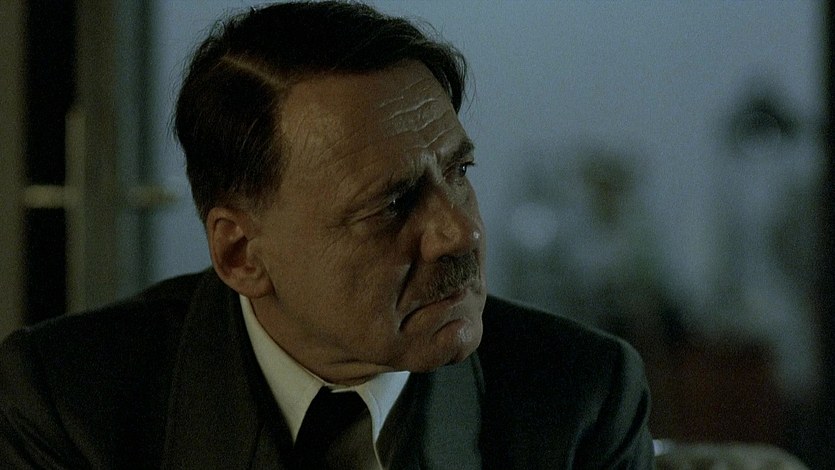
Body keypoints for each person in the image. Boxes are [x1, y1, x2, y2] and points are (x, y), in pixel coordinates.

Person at [0, 2, 654, 468]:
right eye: (392, 203)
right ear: (240, 254)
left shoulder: (579, 399)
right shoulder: (68, 404)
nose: (460, 233)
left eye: (458, 172)